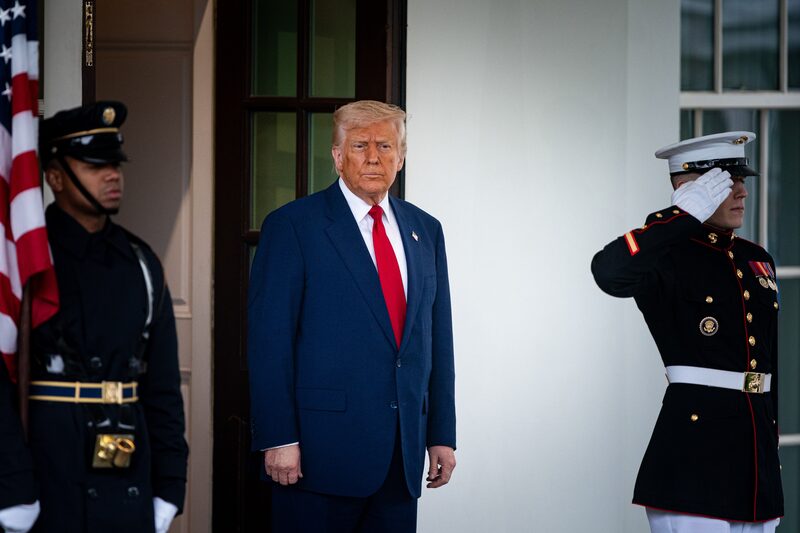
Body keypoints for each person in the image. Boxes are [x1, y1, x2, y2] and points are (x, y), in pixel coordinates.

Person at [248, 100, 456, 532]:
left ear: (401, 157)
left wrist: (441, 434)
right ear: (338, 156)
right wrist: (278, 438)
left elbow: (437, 340)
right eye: (360, 145)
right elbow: (270, 341)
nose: (374, 157)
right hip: (317, 458)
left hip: (401, 458)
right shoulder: (292, 226)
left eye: (386, 145)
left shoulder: (426, 229)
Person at [592, 131, 782, 532]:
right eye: (727, 183)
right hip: (694, 460)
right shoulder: (664, 254)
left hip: (756, 462)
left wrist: (769, 442)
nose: (742, 192)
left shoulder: (755, 259)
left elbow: (768, 364)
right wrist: (680, 218)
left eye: (742, 180)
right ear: (688, 189)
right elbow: (608, 272)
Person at [22, 101, 188, 533]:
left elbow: (163, 385)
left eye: (115, 163)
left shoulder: (140, 261)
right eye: (96, 165)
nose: (113, 174)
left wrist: (170, 484)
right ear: (55, 176)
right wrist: (9, 487)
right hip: (46, 467)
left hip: (125, 465)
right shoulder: (26, 261)